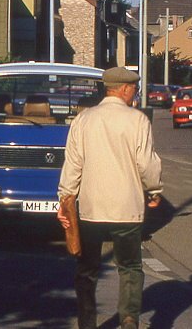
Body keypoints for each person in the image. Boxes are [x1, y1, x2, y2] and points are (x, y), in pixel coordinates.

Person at [57, 67, 163, 329]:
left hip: (91, 209)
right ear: (125, 89)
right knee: (129, 267)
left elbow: (73, 165)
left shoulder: (84, 120)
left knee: (87, 271)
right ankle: (128, 318)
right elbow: (147, 164)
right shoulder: (138, 120)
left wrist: (65, 198)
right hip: (127, 210)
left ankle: (87, 322)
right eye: (134, 89)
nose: (135, 94)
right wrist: (154, 190)